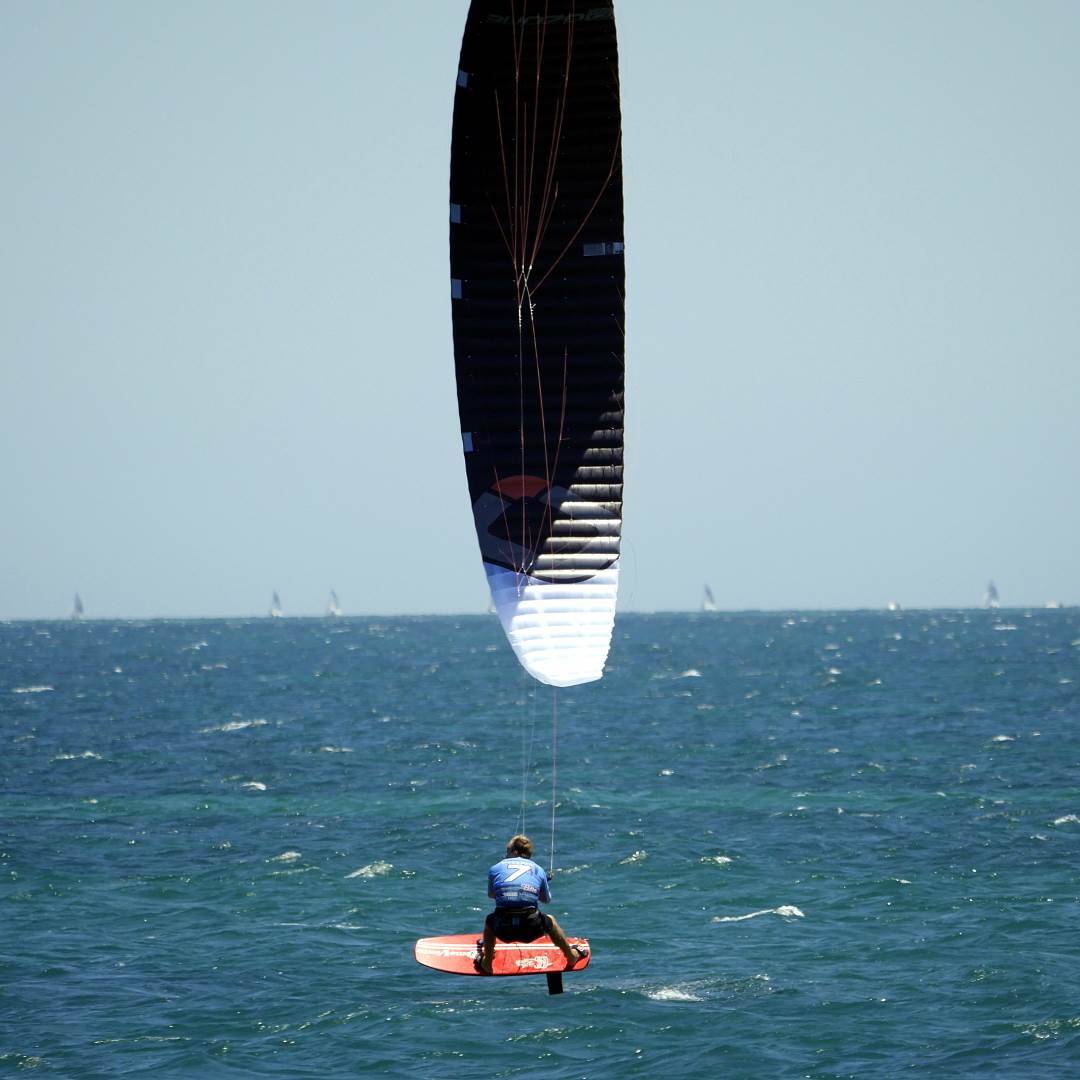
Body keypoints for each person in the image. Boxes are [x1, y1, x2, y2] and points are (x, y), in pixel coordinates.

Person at [477, 834, 587, 975]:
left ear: (514, 851)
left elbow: (492, 895)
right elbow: (546, 900)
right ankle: (571, 957)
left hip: (503, 930)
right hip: (531, 930)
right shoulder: (538, 870)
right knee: (550, 920)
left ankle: (487, 962)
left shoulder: (495, 868)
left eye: (507, 850)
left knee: (490, 920)